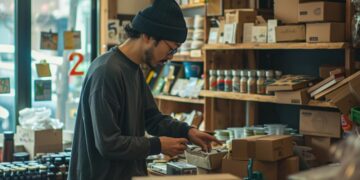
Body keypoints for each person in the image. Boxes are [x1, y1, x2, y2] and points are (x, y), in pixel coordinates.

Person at [68, 0, 221, 179]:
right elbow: (108, 143)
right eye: (170, 49)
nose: (170, 58)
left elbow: (153, 119)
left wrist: (188, 131)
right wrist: (157, 145)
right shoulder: (107, 72)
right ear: (148, 36)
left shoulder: (134, 70)